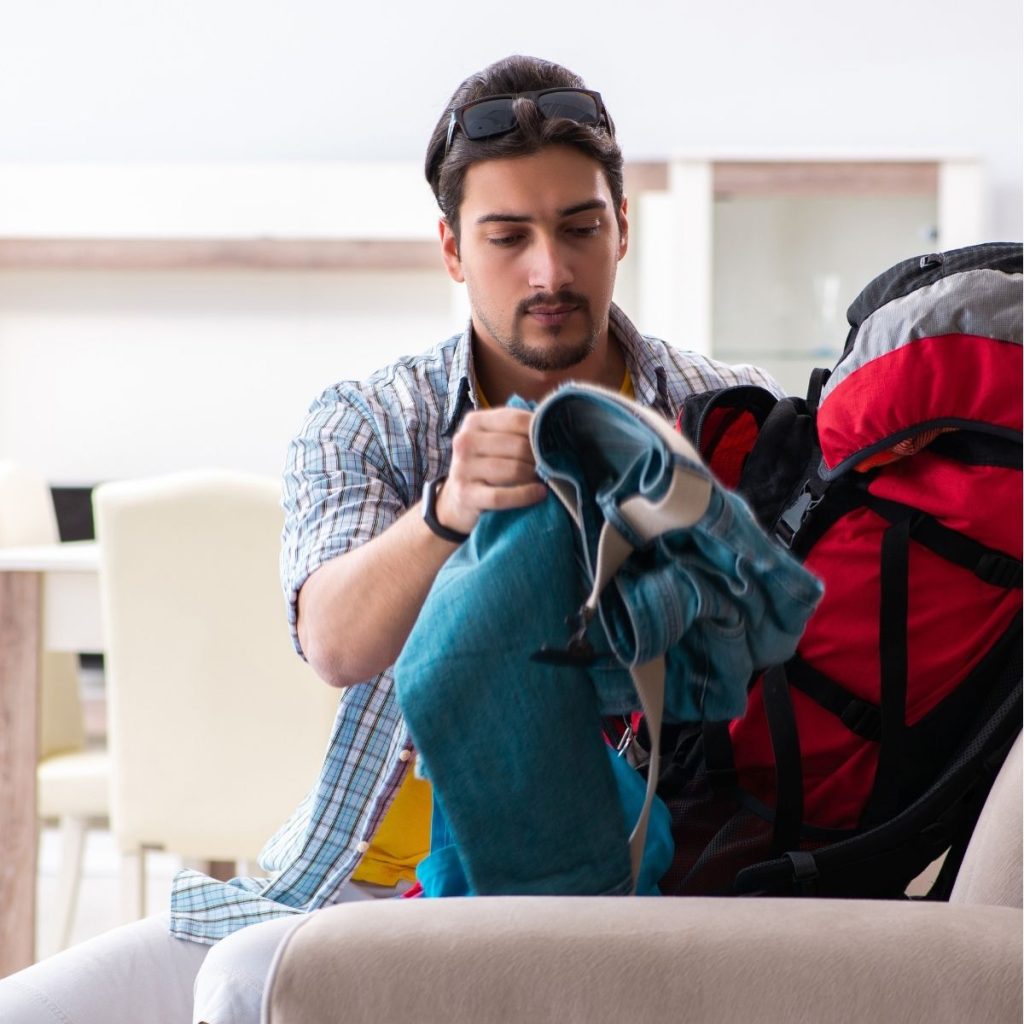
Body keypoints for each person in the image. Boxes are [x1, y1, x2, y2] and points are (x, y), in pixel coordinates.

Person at [0, 54, 779, 1024]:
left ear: (623, 225)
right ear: (452, 248)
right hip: (350, 885)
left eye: (579, 227)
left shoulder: (727, 416)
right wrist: (444, 510)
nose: (550, 269)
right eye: (508, 237)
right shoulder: (370, 420)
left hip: (615, 892)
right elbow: (332, 639)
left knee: (242, 992)